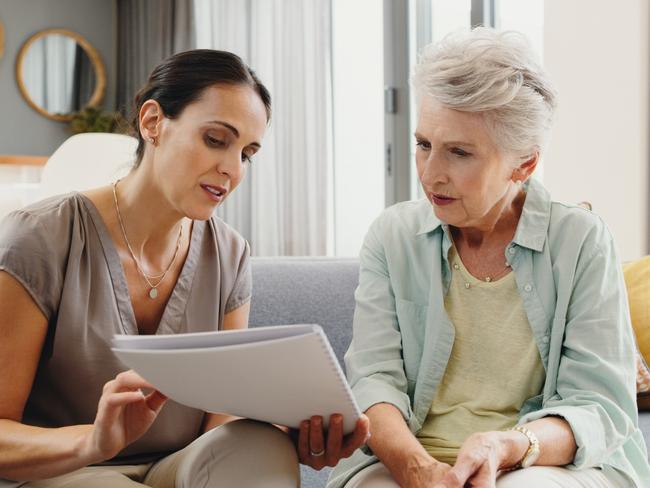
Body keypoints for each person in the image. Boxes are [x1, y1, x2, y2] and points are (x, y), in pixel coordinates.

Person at [0, 49, 369, 487]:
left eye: (247, 153)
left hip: (178, 471)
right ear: (153, 122)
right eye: (216, 139)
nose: (231, 170)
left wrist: (288, 432)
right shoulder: (40, 237)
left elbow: (222, 422)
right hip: (68, 470)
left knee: (257, 447)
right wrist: (92, 443)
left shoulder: (229, 254)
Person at [327, 28, 650, 488]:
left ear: (524, 165)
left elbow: (598, 406)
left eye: (459, 152)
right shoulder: (392, 236)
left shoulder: (581, 242)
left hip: (543, 461)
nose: (430, 173)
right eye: (424, 145)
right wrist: (416, 470)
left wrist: (510, 445)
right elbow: (374, 379)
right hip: (410, 458)